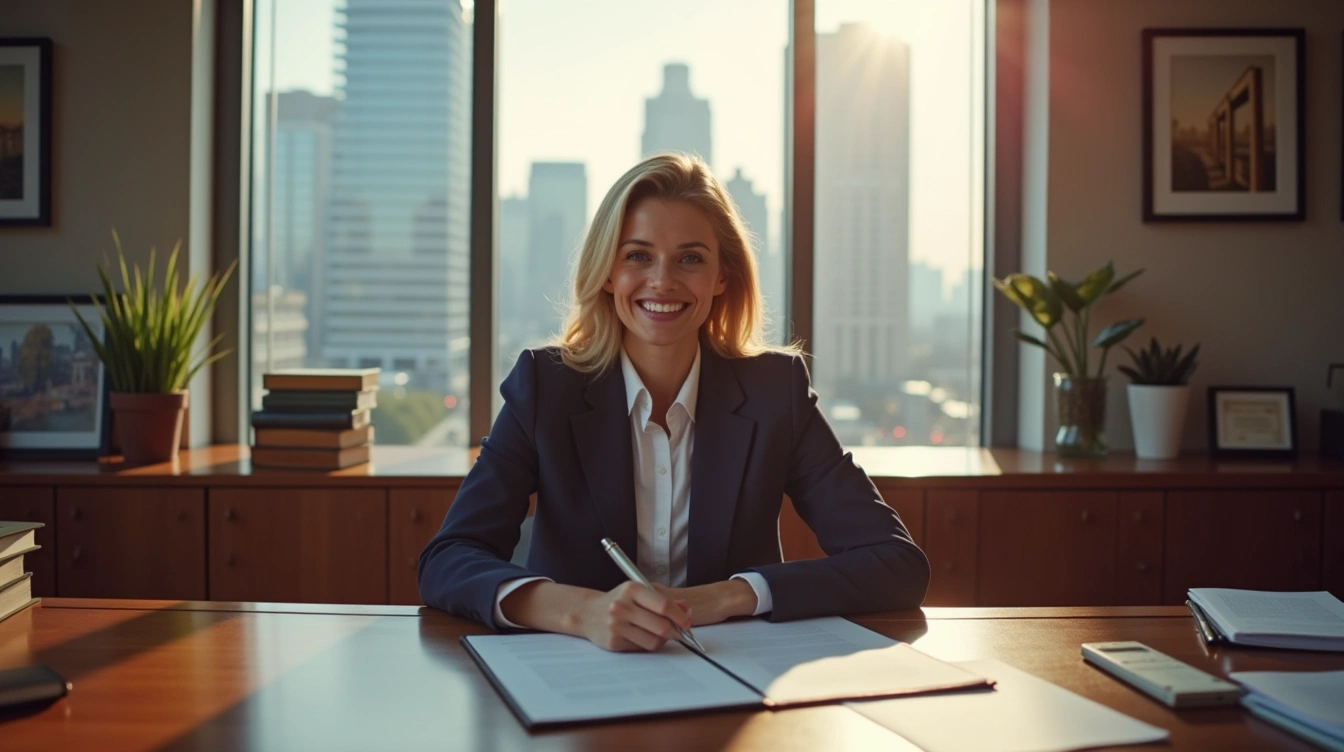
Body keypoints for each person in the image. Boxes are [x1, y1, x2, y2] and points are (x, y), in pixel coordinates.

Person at [418, 152, 929, 652]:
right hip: (579, 675)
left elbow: (895, 562)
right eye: (637, 255)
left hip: (732, 675)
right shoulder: (545, 386)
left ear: (721, 277)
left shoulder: (776, 392)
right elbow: (449, 559)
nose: (662, 280)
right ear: (608, 272)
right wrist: (581, 611)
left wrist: (727, 596)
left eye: (690, 258)